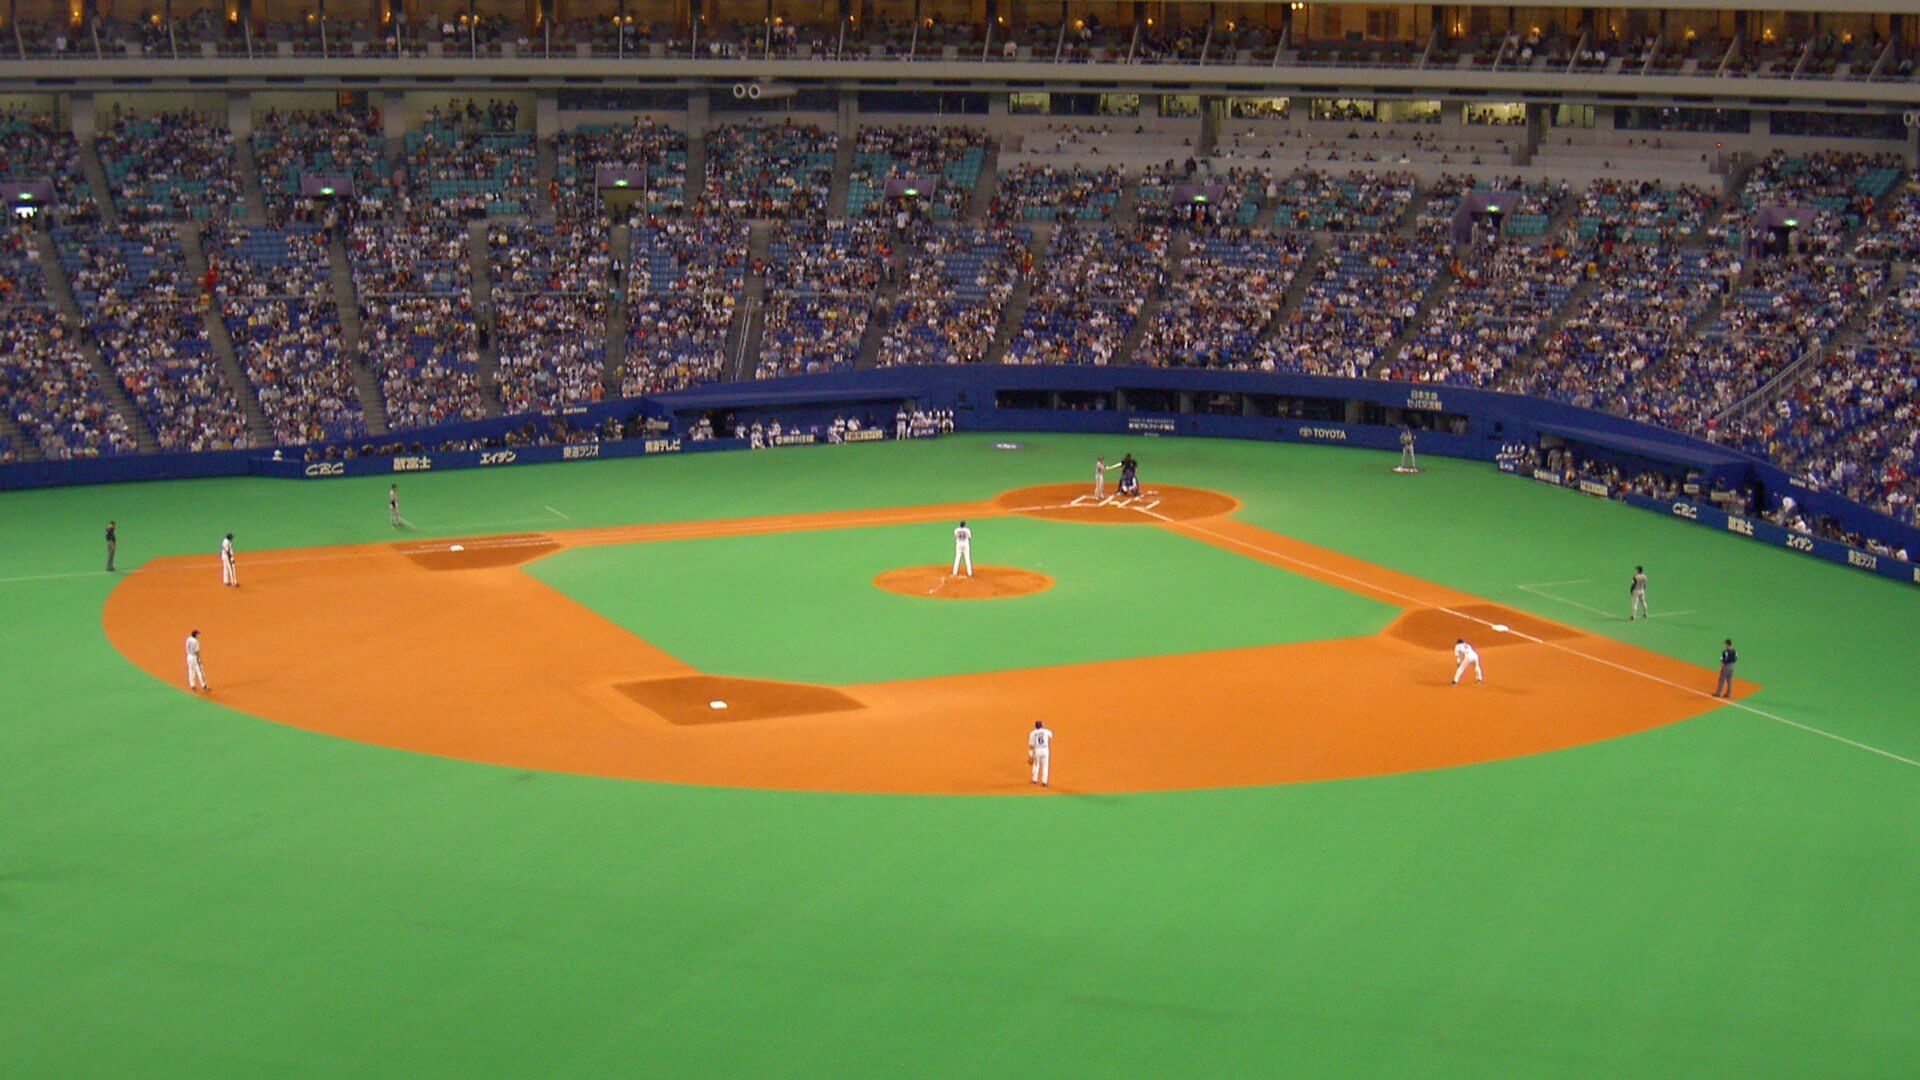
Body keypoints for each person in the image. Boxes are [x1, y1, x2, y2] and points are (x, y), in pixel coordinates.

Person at [1028, 720, 1053, 787]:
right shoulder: (1046, 731)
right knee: (1045, 766)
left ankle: (1034, 779)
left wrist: (1030, 754)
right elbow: (1051, 735)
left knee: (1036, 765)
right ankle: (1044, 782)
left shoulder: (1032, 733)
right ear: (1041, 725)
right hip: (1045, 750)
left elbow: (1031, 745)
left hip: (1037, 750)